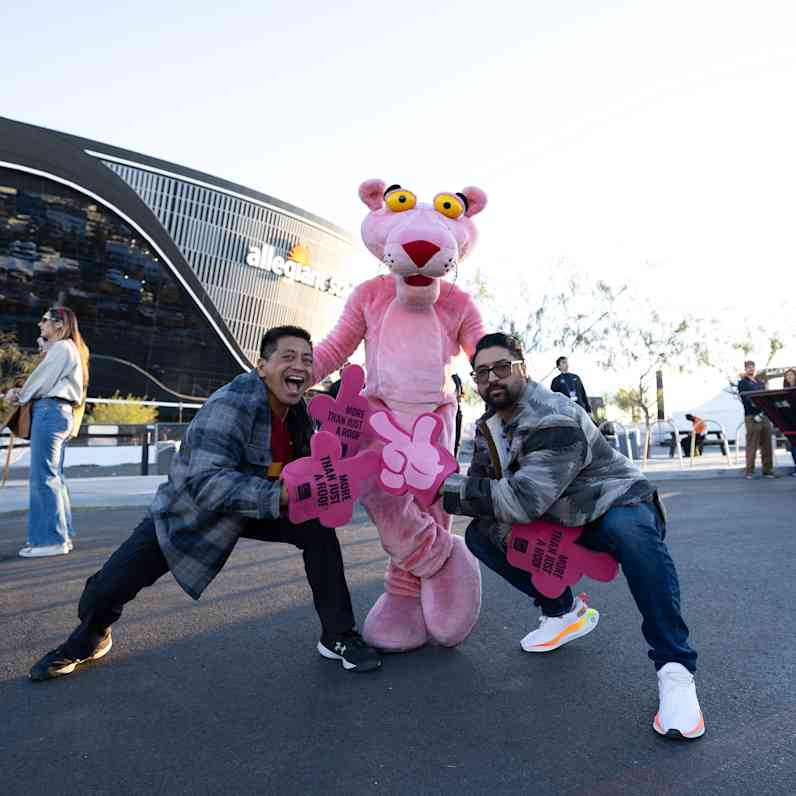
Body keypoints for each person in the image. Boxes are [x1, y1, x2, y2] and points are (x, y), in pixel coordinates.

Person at [28, 325, 381, 682]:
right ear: (261, 366)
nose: (301, 366)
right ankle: (88, 639)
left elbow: (309, 467)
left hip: (258, 505)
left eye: (307, 359)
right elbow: (205, 483)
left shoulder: (297, 413)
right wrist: (286, 495)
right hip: (190, 511)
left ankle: (337, 634)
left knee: (317, 529)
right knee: (106, 590)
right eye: (288, 357)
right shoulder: (232, 404)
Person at [439, 333, 704, 740]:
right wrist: (447, 486)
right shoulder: (490, 425)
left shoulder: (553, 416)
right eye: (482, 371)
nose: (492, 378)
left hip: (612, 503)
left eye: (502, 368)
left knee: (629, 533)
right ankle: (562, 611)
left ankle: (675, 669)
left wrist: (445, 489)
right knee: (480, 536)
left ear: (522, 370)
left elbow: (522, 500)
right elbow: (482, 486)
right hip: (559, 516)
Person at [4, 307, 89, 558]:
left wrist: (18, 395)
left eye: (45, 321)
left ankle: (49, 541)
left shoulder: (63, 348)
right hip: (58, 413)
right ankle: (61, 535)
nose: (40, 325)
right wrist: (44, 348)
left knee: (43, 478)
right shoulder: (69, 349)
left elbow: (40, 381)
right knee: (53, 476)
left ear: (59, 325)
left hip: (50, 411)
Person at [737, 360, 775, 479]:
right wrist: (758, 408)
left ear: (755, 369)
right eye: (748, 367)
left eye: (752, 367)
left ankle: (767, 470)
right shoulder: (743, 383)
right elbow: (746, 399)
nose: (751, 369)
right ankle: (750, 471)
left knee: (767, 444)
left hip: (764, 416)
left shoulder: (760, 382)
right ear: (745, 369)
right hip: (751, 416)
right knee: (752, 445)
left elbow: (766, 398)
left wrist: (765, 409)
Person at [783, 368, 796, 476]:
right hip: (790, 421)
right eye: (787, 375)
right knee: (793, 446)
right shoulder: (783, 390)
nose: (790, 377)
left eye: (792, 374)